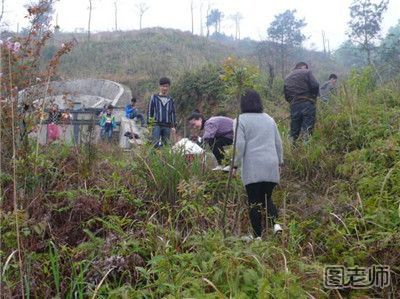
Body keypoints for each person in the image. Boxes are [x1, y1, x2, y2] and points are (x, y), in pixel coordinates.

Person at [232, 89, 284, 238]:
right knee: (267, 198)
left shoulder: (239, 120)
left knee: (254, 201)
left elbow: (239, 145)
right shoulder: (269, 119)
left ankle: (257, 237)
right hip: (271, 164)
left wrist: (234, 165)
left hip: (253, 167)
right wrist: (280, 162)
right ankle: (275, 225)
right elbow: (278, 143)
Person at [284, 62, 319, 142]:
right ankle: (306, 151)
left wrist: (292, 102)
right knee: (307, 129)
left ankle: (291, 149)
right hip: (307, 103)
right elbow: (315, 85)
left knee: (294, 130)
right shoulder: (307, 72)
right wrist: (313, 97)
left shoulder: (287, 77)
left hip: (294, 105)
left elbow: (286, 95)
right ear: (303, 67)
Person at [147, 77, 176, 148]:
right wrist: (150, 125)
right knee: (155, 144)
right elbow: (150, 111)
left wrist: (173, 126)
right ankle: (153, 158)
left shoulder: (170, 99)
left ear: (169, 87)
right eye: (163, 86)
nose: (165, 88)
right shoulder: (154, 97)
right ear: (160, 86)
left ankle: (163, 159)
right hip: (156, 124)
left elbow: (173, 113)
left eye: (166, 86)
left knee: (166, 146)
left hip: (167, 125)